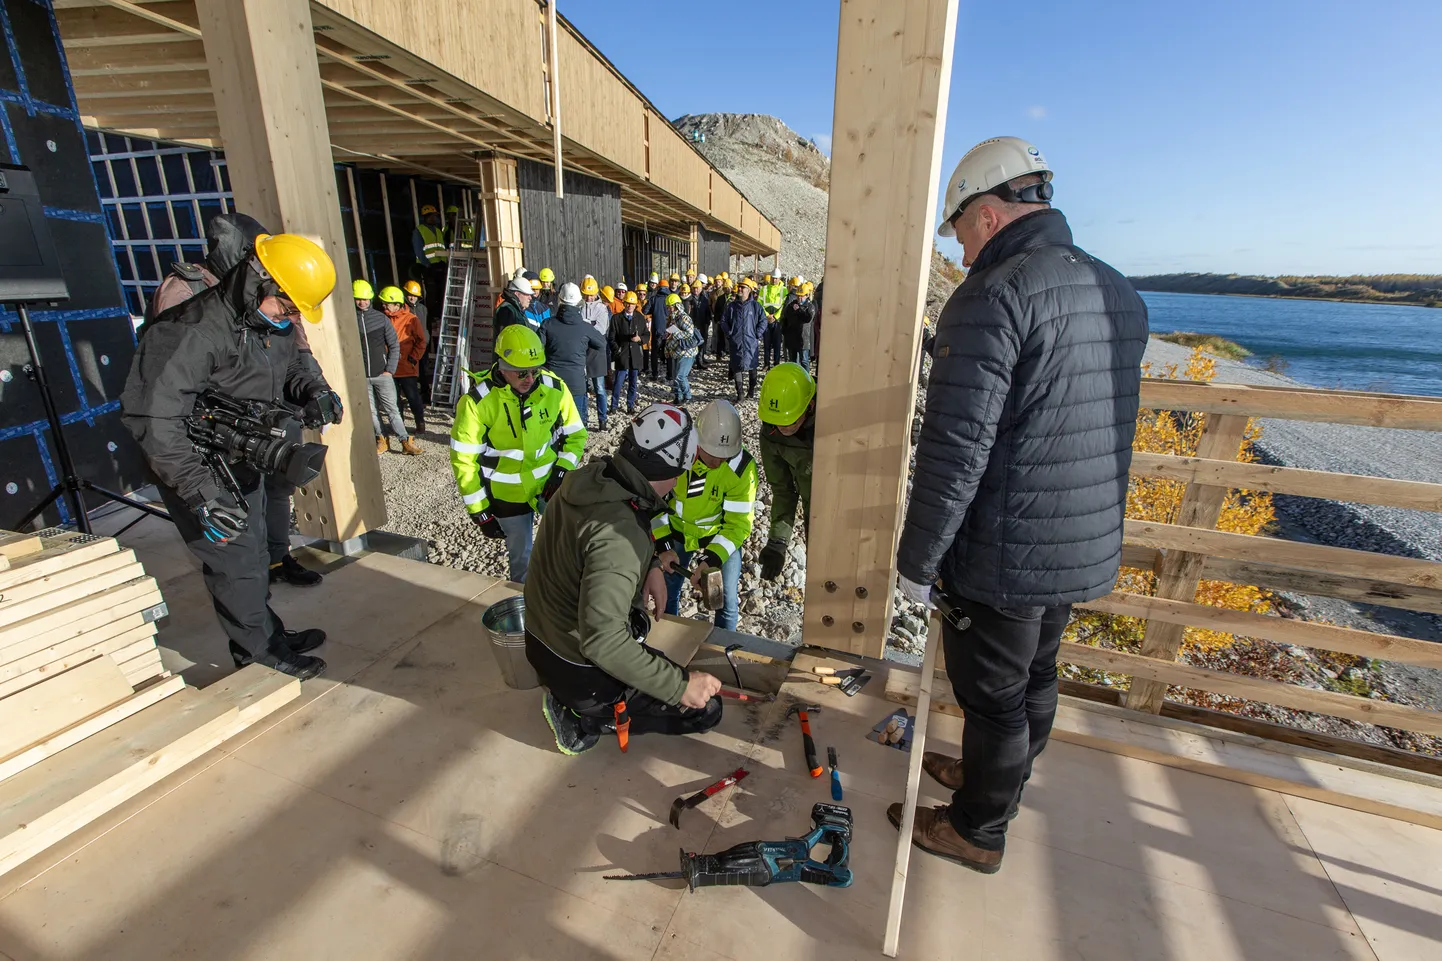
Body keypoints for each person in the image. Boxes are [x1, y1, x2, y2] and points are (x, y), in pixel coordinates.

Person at [889, 137, 1149, 875]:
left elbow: (955, 448)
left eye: (962, 230)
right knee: (1036, 674)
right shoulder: (1116, 288)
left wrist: (918, 561)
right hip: (1078, 539)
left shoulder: (992, 297)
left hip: (1006, 548)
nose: (962, 251)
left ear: (991, 213)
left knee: (995, 695)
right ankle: (1000, 786)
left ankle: (977, 827)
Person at [121, 233, 343, 680]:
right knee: (235, 561)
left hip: (243, 458)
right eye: (288, 306)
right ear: (260, 281)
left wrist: (314, 390)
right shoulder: (191, 331)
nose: (292, 317)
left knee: (255, 553)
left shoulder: (267, 324)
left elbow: (293, 365)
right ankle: (257, 652)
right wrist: (201, 493)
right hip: (196, 465)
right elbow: (154, 419)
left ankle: (266, 632)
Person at [525, 403, 724, 755]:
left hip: (540, 640)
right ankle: (582, 716)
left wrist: (648, 564)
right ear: (671, 471)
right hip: (574, 666)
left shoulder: (590, 479)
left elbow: (589, 545)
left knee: (646, 643)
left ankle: (577, 696)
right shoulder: (620, 534)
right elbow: (603, 643)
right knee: (704, 709)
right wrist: (680, 687)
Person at [143, 213, 325, 589]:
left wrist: (315, 390)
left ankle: (276, 560)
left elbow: (295, 349)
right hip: (219, 434)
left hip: (268, 418)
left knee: (275, 491)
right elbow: (170, 383)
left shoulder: (272, 299)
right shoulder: (190, 292)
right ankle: (256, 613)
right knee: (236, 541)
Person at [449, 325, 586, 584]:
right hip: (506, 495)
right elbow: (464, 461)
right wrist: (480, 512)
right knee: (521, 560)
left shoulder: (554, 388)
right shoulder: (478, 403)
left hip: (549, 487)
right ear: (502, 366)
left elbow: (576, 435)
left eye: (535, 370)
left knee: (568, 549)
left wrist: (562, 470)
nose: (530, 378)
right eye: (522, 372)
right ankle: (526, 610)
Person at [653, 400, 756, 631]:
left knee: (726, 599)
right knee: (669, 587)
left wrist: (712, 559)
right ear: (696, 441)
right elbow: (654, 503)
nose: (718, 461)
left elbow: (737, 524)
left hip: (718, 536)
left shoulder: (741, 468)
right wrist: (663, 544)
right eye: (712, 455)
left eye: (725, 455)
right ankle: (667, 638)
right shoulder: (674, 453)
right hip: (677, 531)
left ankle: (723, 649)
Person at [756, 362, 815, 581]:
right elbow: (783, 490)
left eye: (789, 421)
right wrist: (777, 542)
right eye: (776, 422)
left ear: (809, 406)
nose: (783, 428)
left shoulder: (834, 419)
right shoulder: (771, 433)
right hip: (815, 512)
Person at [355, 281, 419, 456]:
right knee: (372, 411)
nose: (362, 303)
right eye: (359, 299)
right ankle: (381, 439)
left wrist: (389, 369)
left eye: (366, 299)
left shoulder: (380, 318)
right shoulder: (349, 319)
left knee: (392, 409)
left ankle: (404, 440)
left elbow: (394, 345)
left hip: (382, 374)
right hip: (363, 376)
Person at [542, 282, 607, 430]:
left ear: (560, 300)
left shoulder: (548, 324)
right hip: (576, 382)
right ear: (579, 302)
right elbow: (601, 344)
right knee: (576, 425)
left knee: (552, 424)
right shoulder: (585, 327)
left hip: (552, 382)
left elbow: (539, 348)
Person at [378, 286, 428, 436]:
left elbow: (421, 341)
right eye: (383, 303)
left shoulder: (411, 319)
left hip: (407, 366)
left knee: (413, 397)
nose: (384, 306)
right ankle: (399, 427)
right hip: (389, 368)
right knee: (393, 401)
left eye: (387, 303)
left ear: (397, 304)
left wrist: (413, 358)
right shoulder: (382, 318)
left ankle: (420, 422)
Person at [720, 277, 767, 402]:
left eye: (743, 287)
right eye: (739, 287)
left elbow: (763, 321)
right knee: (737, 367)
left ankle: (751, 390)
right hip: (736, 342)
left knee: (752, 366)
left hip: (751, 342)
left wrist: (757, 334)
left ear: (749, 290)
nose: (740, 289)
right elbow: (723, 321)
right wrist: (729, 333)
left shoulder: (756, 306)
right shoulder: (731, 306)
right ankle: (740, 394)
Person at [579, 276, 612, 430]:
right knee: (583, 389)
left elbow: (601, 329)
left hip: (597, 352)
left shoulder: (602, 309)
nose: (589, 297)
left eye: (591, 295)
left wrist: (585, 326)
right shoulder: (579, 307)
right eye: (586, 294)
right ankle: (583, 419)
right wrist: (589, 325)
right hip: (582, 351)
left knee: (599, 388)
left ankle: (602, 419)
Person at [609, 291, 646, 415]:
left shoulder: (640, 318)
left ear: (636, 305)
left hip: (635, 354)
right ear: (624, 303)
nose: (630, 306)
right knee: (618, 382)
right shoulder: (616, 318)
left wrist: (640, 339)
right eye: (628, 303)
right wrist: (617, 350)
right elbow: (611, 338)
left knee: (633, 382)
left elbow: (646, 334)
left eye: (632, 304)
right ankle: (614, 405)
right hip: (623, 354)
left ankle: (630, 405)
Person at [662, 293, 701, 403]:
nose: (669, 309)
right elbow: (669, 337)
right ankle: (678, 397)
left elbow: (689, 333)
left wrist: (675, 333)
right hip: (675, 351)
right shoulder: (671, 319)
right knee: (676, 377)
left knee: (680, 376)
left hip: (687, 352)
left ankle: (687, 396)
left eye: (670, 307)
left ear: (677, 306)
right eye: (668, 307)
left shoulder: (684, 318)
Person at [411, 204, 449, 307]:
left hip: (440, 265)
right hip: (428, 267)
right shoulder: (419, 231)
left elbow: (443, 247)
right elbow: (418, 250)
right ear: (427, 216)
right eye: (433, 216)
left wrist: (444, 263)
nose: (435, 218)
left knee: (442, 292)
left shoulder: (438, 230)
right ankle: (432, 317)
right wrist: (427, 265)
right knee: (432, 293)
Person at [780, 280, 817, 369]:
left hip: (804, 339)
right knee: (793, 362)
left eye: (802, 296)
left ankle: (806, 379)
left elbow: (808, 318)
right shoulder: (791, 306)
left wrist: (799, 310)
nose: (799, 298)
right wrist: (785, 332)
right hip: (793, 339)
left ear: (807, 296)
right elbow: (784, 318)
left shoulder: (810, 307)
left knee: (804, 361)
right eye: (798, 296)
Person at [645, 276, 671, 381]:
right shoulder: (671, 298)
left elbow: (645, 310)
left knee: (654, 353)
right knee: (669, 352)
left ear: (658, 288)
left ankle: (655, 374)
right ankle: (670, 375)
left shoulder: (653, 299)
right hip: (670, 330)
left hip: (656, 330)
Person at [760, 274, 786, 368]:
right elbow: (760, 303)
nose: (774, 280)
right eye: (773, 278)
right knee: (766, 343)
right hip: (767, 319)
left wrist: (775, 316)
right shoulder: (764, 289)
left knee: (777, 343)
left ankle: (776, 363)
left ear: (779, 279)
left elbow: (784, 305)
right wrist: (767, 316)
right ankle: (766, 364)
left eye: (776, 278)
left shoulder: (784, 290)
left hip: (777, 320)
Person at [691, 274, 712, 369]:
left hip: (703, 323)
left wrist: (708, 320)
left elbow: (708, 310)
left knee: (702, 342)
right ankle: (696, 361)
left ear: (700, 289)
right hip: (693, 324)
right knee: (694, 344)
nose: (696, 290)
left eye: (697, 288)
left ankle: (700, 359)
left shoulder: (704, 298)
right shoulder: (690, 299)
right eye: (694, 288)